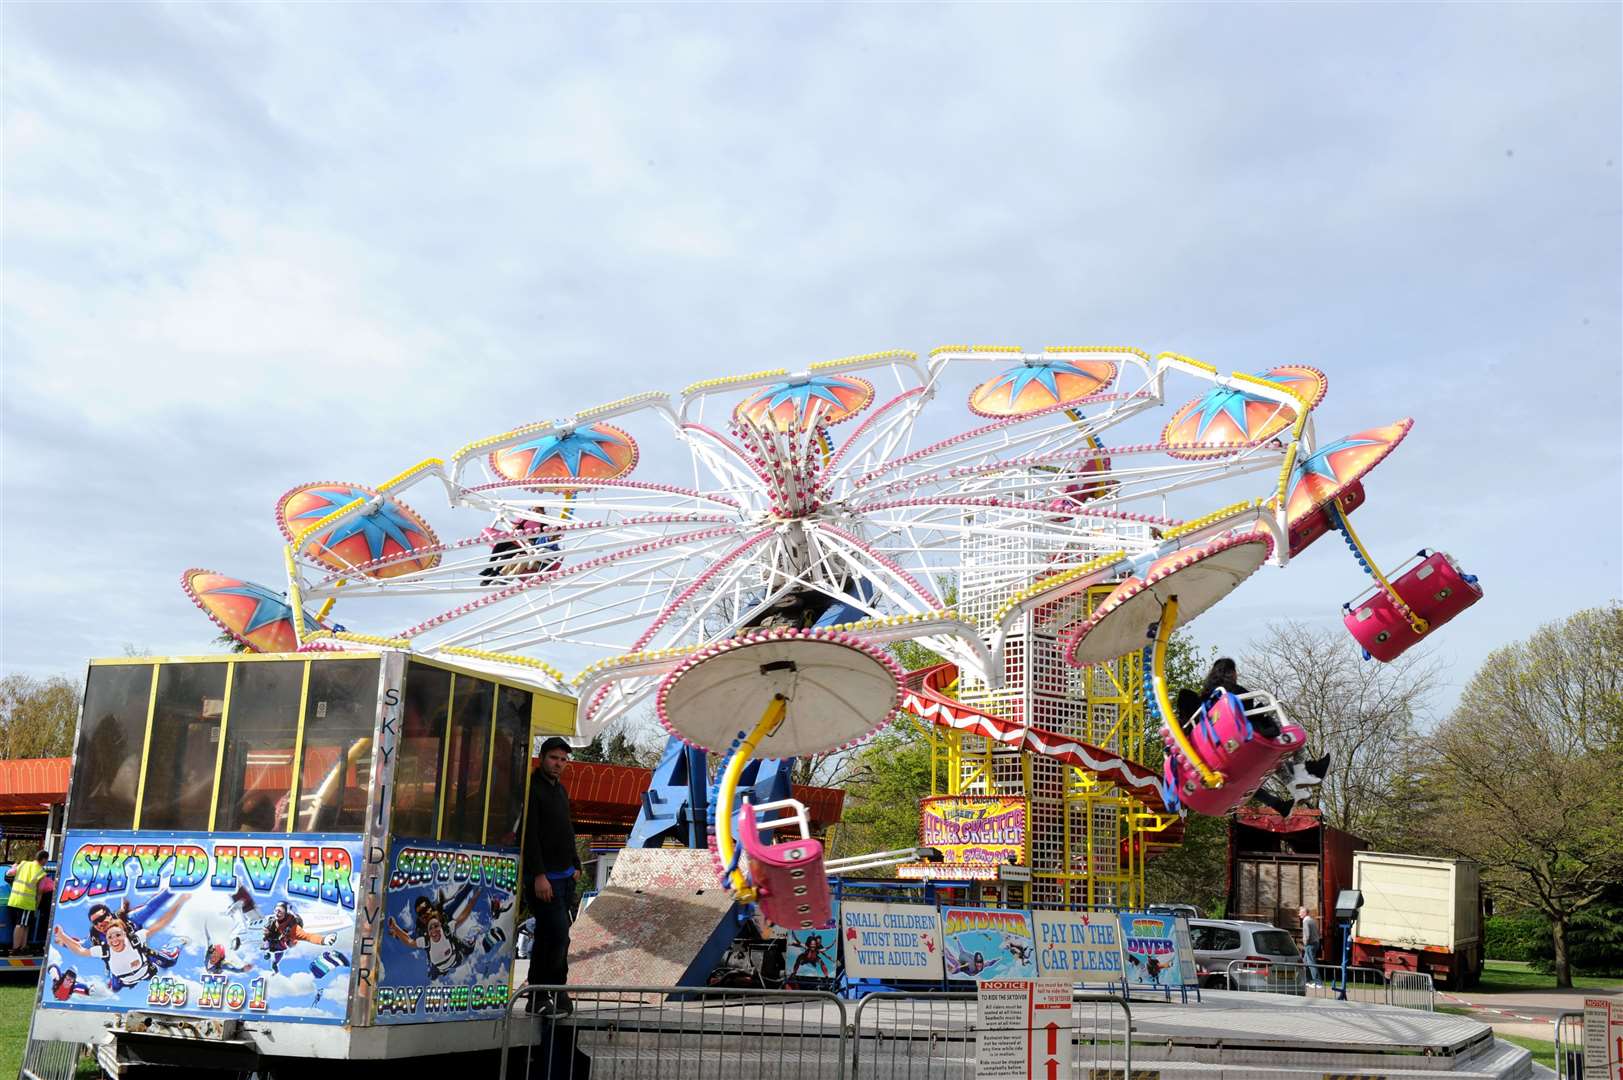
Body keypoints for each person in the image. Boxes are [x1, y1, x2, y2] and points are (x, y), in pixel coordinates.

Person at [523, 736, 581, 1015]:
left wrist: (576, 863)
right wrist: (538, 875)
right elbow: (530, 836)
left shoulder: (560, 791)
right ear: (542, 758)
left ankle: (538, 997)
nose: (558, 764)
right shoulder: (532, 790)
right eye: (554, 758)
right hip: (544, 879)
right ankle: (556, 991)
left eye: (563, 760)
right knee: (559, 936)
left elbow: (566, 831)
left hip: (564, 876)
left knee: (548, 937)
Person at [5, 849, 49, 954]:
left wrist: (13, 867)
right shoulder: (41, 872)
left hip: (14, 899)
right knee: (20, 924)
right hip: (26, 902)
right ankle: (16, 948)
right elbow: (40, 891)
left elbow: (9, 873)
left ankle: (23, 946)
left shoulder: (23, 864)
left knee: (25, 924)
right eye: (46, 860)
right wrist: (36, 906)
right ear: (43, 860)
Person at [1299, 906, 1322, 986]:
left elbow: (1307, 935)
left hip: (1310, 944)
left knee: (1311, 963)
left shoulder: (1305, 921)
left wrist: (1305, 943)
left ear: (1305, 913)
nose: (1299, 914)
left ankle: (1318, 982)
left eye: (1300, 913)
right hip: (1315, 943)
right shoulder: (1312, 920)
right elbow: (1318, 933)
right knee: (1305, 962)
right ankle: (1307, 981)